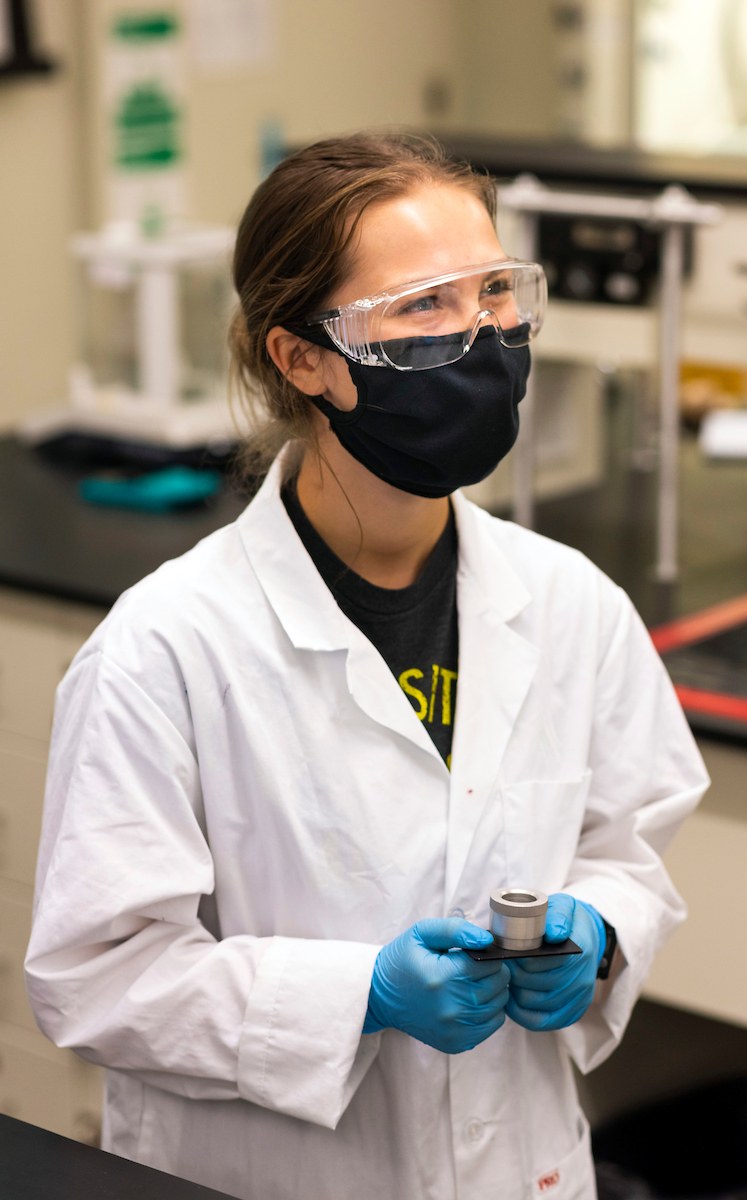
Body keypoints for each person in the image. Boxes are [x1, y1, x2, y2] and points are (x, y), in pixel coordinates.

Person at [25, 131, 709, 1200]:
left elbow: (628, 848)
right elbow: (97, 978)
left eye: (494, 292)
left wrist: (604, 932)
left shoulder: (572, 605)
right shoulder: (166, 652)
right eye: (425, 307)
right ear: (302, 358)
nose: (483, 338)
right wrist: (358, 997)